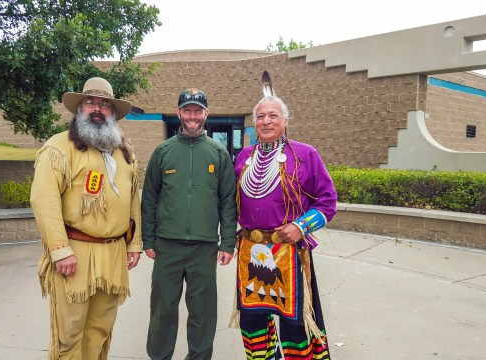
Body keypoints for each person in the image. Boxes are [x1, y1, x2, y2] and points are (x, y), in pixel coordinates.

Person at [30, 77, 142, 360]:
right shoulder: (59, 148)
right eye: (90, 102)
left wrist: (134, 243)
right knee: (70, 332)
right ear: (79, 108)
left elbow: (132, 201)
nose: (97, 108)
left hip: (114, 253)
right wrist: (60, 250)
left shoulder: (124, 153)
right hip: (74, 253)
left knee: (100, 329)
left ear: (112, 112)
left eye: (104, 104)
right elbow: (44, 200)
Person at [233, 95, 337, 359]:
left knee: (295, 323)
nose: (266, 121)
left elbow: (328, 202)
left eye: (273, 116)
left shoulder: (305, 154)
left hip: (289, 251)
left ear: (286, 120)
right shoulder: (244, 157)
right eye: (260, 116)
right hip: (250, 251)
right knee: (252, 320)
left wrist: (301, 226)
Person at [141, 88, 237, 360]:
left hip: (204, 248)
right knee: (163, 310)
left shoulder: (218, 154)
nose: (192, 116)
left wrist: (227, 242)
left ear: (206, 114)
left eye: (198, 110)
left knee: (203, 312)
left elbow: (227, 202)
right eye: (187, 110)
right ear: (179, 112)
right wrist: (148, 239)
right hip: (166, 247)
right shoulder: (163, 152)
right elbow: (149, 198)